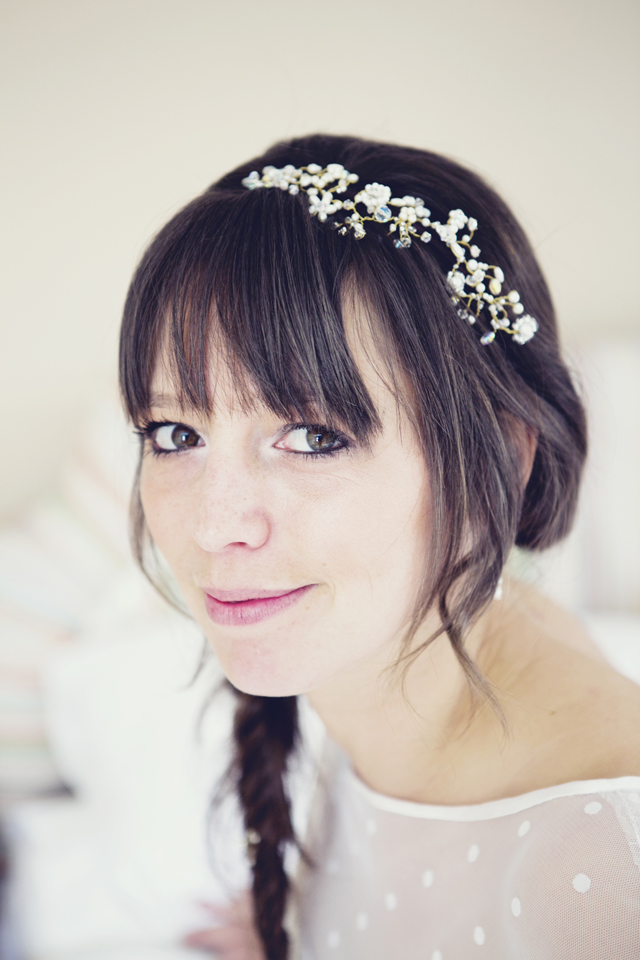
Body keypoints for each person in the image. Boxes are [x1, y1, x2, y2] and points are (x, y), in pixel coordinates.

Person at [118, 134, 640, 959]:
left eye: (315, 438)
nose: (216, 525)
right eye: (176, 431)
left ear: (499, 454)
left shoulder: (601, 874)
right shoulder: (392, 656)